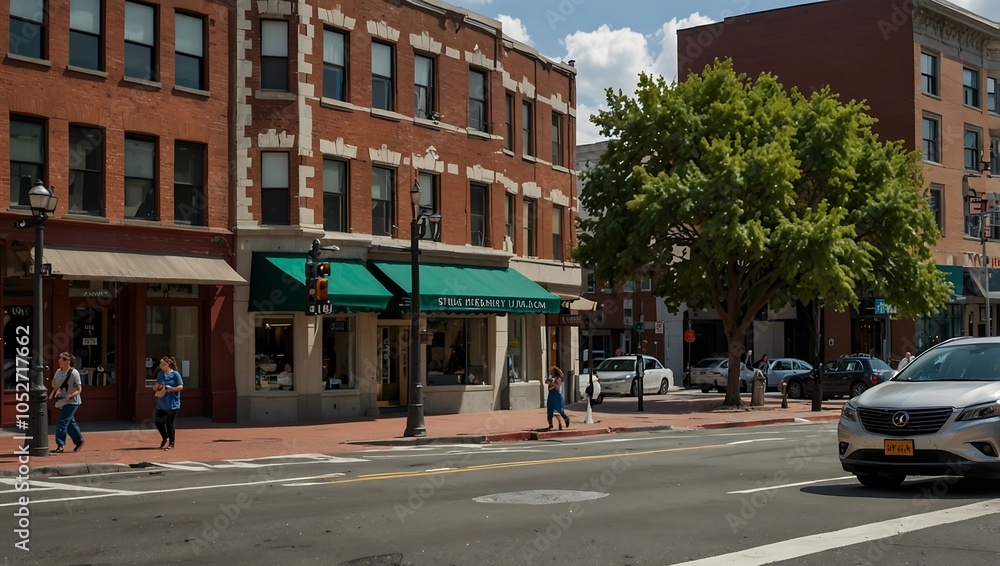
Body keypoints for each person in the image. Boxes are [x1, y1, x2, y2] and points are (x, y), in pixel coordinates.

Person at [49, 352, 84, 453]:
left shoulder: (74, 373)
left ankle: (60, 444)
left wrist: (71, 396)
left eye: (62, 359)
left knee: (62, 422)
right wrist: (55, 387)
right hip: (62, 400)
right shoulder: (58, 372)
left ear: (68, 361)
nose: (59, 361)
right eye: (59, 359)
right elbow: (53, 382)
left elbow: (79, 389)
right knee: (69, 423)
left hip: (72, 401)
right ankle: (79, 441)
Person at [153, 356, 184, 450]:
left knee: (170, 424)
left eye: (163, 364)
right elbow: (155, 387)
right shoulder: (160, 374)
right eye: (160, 364)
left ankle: (172, 443)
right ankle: (165, 437)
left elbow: (181, 387)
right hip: (161, 403)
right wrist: (159, 387)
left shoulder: (175, 374)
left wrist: (172, 389)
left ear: (168, 365)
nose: (161, 366)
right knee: (158, 422)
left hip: (172, 403)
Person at [545, 366, 570, 431]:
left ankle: (565, 418)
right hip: (551, 395)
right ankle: (550, 424)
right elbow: (549, 386)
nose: (551, 373)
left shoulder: (558, 378)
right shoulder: (551, 378)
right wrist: (548, 382)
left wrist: (551, 383)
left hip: (557, 396)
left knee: (559, 410)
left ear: (555, 372)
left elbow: (558, 387)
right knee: (549, 410)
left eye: (552, 372)